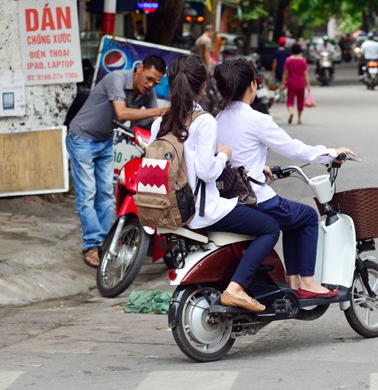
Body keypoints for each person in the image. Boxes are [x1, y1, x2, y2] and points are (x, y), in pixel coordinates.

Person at [213, 57, 356, 299]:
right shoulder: (257, 120)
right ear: (252, 85)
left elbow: (233, 158)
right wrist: (330, 153)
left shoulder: (217, 119)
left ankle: (293, 280)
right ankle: (307, 282)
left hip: (229, 196)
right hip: (255, 198)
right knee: (309, 216)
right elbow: (293, 149)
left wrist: (261, 168)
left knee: (293, 217)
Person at [150, 54, 280, 312]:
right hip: (202, 211)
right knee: (270, 227)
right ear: (202, 87)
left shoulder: (159, 122)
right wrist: (224, 155)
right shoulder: (204, 121)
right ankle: (236, 288)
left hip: (170, 209)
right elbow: (208, 172)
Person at [66, 55, 169, 269]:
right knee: (88, 194)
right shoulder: (117, 78)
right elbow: (121, 112)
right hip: (82, 137)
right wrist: (158, 110)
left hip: (104, 140)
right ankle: (91, 245)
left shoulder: (147, 91)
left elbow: (154, 121)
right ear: (139, 68)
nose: (150, 85)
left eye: (155, 83)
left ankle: (103, 242)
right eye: (148, 79)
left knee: (106, 195)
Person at [281, 43, 311, 125]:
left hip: (291, 83)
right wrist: (308, 85)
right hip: (301, 83)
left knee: (290, 100)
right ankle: (299, 119)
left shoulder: (288, 60)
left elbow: (285, 73)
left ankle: (291, 112)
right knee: (300, 101)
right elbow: (306, 74)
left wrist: (283, 82)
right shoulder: (303, 60)